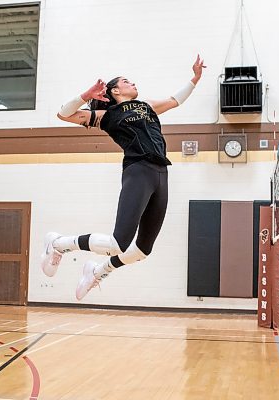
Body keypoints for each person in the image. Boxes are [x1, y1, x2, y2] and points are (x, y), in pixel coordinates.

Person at [41, 55, 206, 300]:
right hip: (138, 169)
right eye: (127, 81)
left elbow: (174, 100)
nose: (133, 83)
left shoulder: (147, 105)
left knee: (142, 250)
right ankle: (59, 243)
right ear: (115, 90)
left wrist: (194, 79)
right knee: (117, 244)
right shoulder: (105, 115)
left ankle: (98, 271)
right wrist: (86, 95)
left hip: (161, 173)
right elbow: (63, 115)